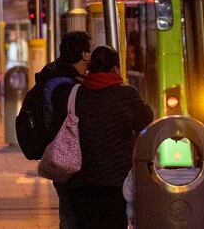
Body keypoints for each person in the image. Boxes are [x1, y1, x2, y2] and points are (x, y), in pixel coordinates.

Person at [67, 45, 153, 229]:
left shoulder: (77, 93)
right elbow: (145, 119)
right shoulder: (126, 94)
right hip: (116, 181)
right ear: (115, 67)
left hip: (83, 179)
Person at [33, 31, 92, 229]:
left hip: (63, 156)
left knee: (69, 213)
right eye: (89, 50)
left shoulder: (56, 76)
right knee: (71, 215)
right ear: (84, 54)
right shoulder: (66, 86)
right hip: (69, 157)